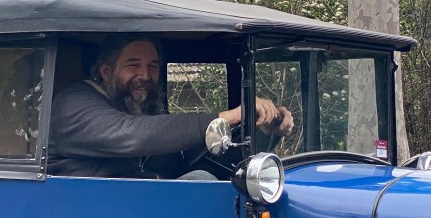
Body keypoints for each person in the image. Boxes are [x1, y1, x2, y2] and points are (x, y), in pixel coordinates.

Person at [48, 35, 294, 178]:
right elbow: (132, 134)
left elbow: (196, 160)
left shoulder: (141, 109)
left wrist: (264, 130)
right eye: (133, 65)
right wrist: (228, 116)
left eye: (152, 66)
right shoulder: (74, 103)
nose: (145, 75)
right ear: (105, 71)